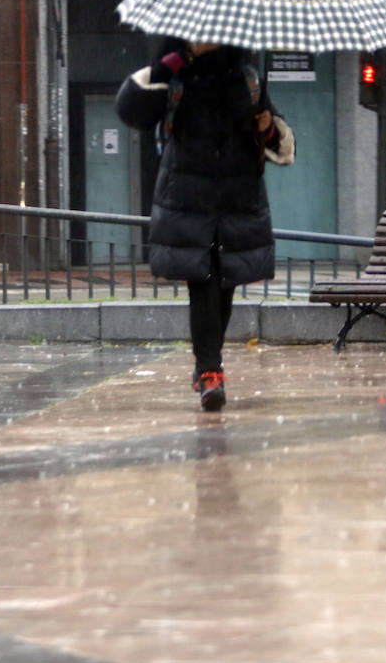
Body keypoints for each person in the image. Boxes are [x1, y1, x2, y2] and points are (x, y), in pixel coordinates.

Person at [115, 40, 296, 411]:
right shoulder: (175, 71)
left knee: (225, 280)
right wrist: (180, 59)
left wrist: (268, 127)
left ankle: (208, 365)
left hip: (237, 195)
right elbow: (131, 108)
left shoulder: (247, 77)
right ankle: (210, 370)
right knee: (204, 280)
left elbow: (281, 144)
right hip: (189, 196)